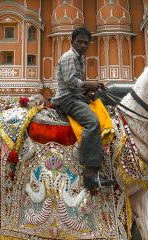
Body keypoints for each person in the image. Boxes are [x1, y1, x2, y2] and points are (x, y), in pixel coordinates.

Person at [53, 26, 110, 190]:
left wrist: (90, 89)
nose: (83, 45)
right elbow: (71, 81)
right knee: (93, 122)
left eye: (86, 43)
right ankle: (90, 174)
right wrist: (88, 84)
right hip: (67, 99)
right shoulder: (69, 57)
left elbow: (77, 84)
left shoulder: (79, 58)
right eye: (80, 42)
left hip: (76, 97)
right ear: (72, 42)